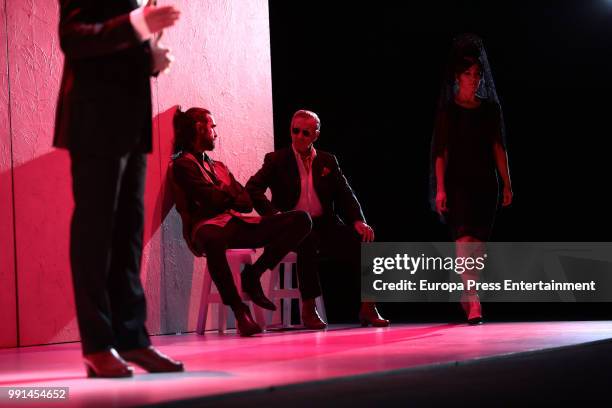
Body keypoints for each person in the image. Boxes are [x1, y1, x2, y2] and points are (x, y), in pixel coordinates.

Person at [54, 0, 183, 377]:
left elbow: (119, 49)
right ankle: (97, 345)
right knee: (96, 235)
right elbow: (73, 38)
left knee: (128, 234)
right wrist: (136, 24)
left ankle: (132, 340)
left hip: (131, 125)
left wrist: (149, 62)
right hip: (94, 120)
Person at [170, 107, 314, 335]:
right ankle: (240, 312)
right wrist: (228, 193)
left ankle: (253, 274)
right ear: (199, 128)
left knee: (301, 220)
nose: (216, 133)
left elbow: (246, 202)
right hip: (205, 228)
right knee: (214, 238)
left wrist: (224, 194)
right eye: (212, 127)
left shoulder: (219, 166)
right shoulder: (182, 165)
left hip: (235, 224)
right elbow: (209, 200)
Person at [246, 110, 389, 327]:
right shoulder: (277, 160)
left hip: (325, 224)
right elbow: (253, 189)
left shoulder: (327, 160)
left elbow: (345, 193)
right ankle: (308, 308)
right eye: (295, 131)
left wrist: (358, 220)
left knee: (366, 242)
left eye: (305, 132)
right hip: (293, 227)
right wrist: (274, 215)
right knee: (307, 239)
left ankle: (369, 306)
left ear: (316, 135)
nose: (299, 136)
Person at [431, 34, 513, 324]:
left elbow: (498, 146)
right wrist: (440, 188)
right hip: (457, 181)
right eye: (468, 74)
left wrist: (507, 182)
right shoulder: (449, 110)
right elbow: (441, 151)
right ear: (458, 76)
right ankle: (474, 296)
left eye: (477, 74)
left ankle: (468, 291)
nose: (474, 79)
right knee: (464, 238)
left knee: (478, 243)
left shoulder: (489, 109)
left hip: (484, 182)